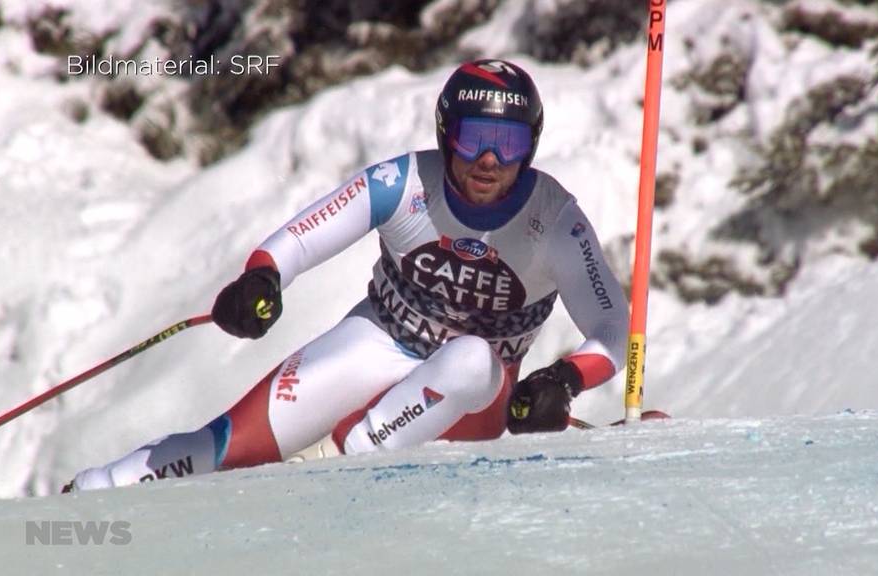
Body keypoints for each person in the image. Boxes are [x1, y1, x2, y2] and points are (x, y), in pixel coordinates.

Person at [65, 59, 628, 492]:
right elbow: (301, 237)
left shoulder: (554, 219)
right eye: (473, 137)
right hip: (380, 340)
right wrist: (263, 279)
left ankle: (337, 470)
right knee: (228, 444)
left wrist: (564, 380)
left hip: (474, 395)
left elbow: (611, 328)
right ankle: (92, 491)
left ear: (530, 148)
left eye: (508, 145)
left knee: (471, 357)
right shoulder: (403, 182)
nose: (489, 160)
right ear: (444, 132)